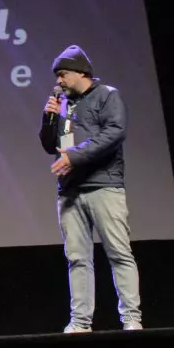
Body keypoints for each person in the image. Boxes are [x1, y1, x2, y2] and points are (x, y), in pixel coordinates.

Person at [40, 45, 142, 333]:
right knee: (77, 259)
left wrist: (75, 156)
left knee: (119, 254)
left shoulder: (107, 95)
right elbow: (51, 146)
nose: (58, 81)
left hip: (104, 185)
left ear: (81, 72)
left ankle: (131, 319)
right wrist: (48, 118)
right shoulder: (62, 102)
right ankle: (81, 323)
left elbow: (114, 132)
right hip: (70, 191)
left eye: (63, 74)